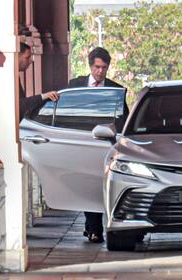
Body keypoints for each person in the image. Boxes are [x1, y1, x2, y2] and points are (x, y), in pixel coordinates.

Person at [68, 47, 126, 243]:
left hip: (105, 144)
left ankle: (97, 228)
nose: (100, 72)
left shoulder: (116, 90)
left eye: (104, 68)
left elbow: (124, 119)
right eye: (97, 67)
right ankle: (93, 228)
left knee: (102, 186)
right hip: (82, 143)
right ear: (90, 66)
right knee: (87, 185)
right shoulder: (75, 85)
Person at [18, 43, 59, 120]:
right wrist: (43, 96)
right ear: (16, 56)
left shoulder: (15, 76)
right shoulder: (8, 77)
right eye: (27, 58)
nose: (30, 61)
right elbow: (20, 105)